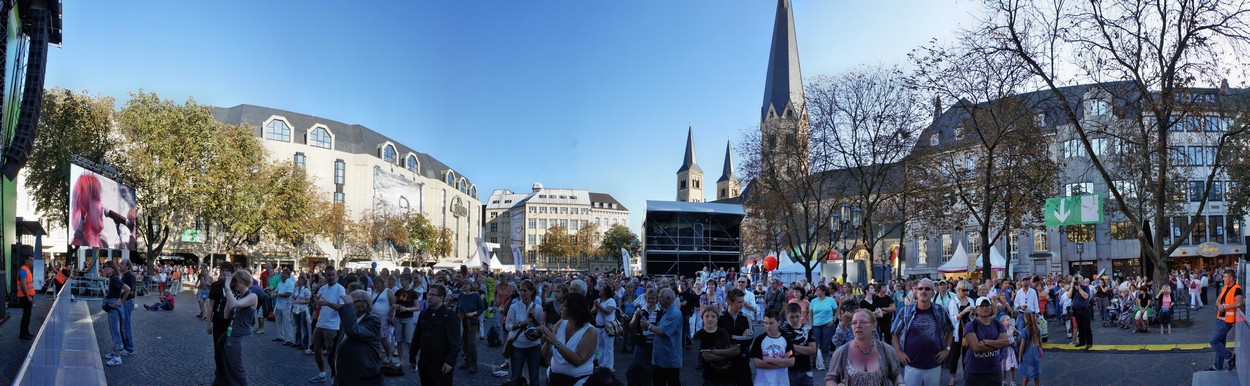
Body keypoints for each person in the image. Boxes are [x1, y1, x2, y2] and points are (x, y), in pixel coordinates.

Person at [891, 278, 952, 386]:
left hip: (934, 364)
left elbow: (950, 329)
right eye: (920, 288)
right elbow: (894, 332)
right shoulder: (906, 311)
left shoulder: (940, 310)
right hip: (911, 364)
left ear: (933, 293)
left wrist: (947, 350)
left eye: (927, 289)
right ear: (916, 292)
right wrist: (898, 351)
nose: (923, 291)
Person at [824, 309, 903, 385]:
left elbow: (896, 374)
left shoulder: (886, 349)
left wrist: (900, 384)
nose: (858, 326)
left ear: (874, 326)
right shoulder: (842, 352)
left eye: (863, 322)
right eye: (854, 323)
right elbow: (831, 379)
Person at [542, 291, 599, 386]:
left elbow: (577, 361)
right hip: (553, 378)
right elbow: (545, 355)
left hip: (578, 382)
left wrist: (556, 342)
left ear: (574, 309)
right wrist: (547, 343)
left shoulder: (590, 331)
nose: (560, 308)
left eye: (564, 306)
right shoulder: (559, 325)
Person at [411, 284, 462, 385]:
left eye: (433, 295)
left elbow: (455, 341)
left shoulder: (449, 315)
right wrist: (412, 357)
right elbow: (417, 336)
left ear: (441, 297)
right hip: (425, 361)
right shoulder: (424, 314)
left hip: (441, 362)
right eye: (428, 294)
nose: (429, 297)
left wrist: (450, 362)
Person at [333, 289, 383, 386]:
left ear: (363, 305)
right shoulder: (351, 319)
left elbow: (354, 332)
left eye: (351, 303)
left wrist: (348, 308)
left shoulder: (373, 320)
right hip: (345, 375)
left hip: (362, 377)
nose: (347, 306)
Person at [309, 268, 350, 383]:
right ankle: (322, 373)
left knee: (332, 354)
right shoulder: (322, 288)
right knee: (316, 350)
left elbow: (342, 307)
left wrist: (328, 303)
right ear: (325, 276)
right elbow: (317, 307)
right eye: (328, 275)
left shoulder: (340, 289)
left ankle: (334, 377)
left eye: (333, 275)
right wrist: (315, 301)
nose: (331, 277)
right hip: (320, 323)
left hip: (333, 326)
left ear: (336, 275)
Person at [221, 270, 260, 385]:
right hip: (231, 337)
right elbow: (226, 315)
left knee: (238, 371)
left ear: (244, 281)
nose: (235, 284)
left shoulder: (253, 296)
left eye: (236, 282)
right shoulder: (237, 297)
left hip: (241, 339)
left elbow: (235, 305)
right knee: (230, 370)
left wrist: (227, 288)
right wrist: (230, 293)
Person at [963, 297, 1009, 386]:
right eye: (981, 306)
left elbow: (1006, 342)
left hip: (994, 371)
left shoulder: (998, 324)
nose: (985, 308)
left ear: (991, 308)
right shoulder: (971, 325)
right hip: (974, 372)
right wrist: (997, 343)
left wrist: (986, 342)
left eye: (987, 305)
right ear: (976, 309)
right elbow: (976, 348)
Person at [505, 279, 543, 384]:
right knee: (515, 376)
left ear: (531, 292)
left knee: (534, 377)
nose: (522, 293)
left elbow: (541, 327)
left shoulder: (538, 308)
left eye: (525, 290)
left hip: (534, 346)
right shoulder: (514, 307)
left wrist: (534, 318)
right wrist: (521, 323)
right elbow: (508, 327)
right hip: (518, 346)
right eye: (520, 290)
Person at [645, 287, 683, 386]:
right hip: (661, 357)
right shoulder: (667, 311)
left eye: (661, 298)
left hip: (669, 358)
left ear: (668, 299)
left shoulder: (674, 313)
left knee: (672, 382)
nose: (658, 300)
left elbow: (663, 332)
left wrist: (648, 325)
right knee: (658, 381)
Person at [206, 262, 237, 382]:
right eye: (222, 270)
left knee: (230, 350)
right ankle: (219, 374)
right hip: (218, 322)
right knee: (218, 349)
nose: (224, 273)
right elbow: (210, 305)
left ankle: (229, 375)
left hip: (232, 323)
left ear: (232, 272)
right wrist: (208, 323)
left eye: (227, 270)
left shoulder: (236, 285)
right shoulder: (215, 285)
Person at [750, 308, 795, 386]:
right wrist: (782, 362)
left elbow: (791, 361)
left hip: (782, 382)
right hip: (763, 382)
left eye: (771, 323)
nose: (768, 326)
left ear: (779, 323)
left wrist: (768, 359)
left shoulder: (786, 339)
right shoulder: (759, 340)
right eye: (765, 323)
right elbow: (757, 363)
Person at [719, 288, 754, 386]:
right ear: (729, 302)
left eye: (743, 302)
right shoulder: (720, 318)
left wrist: (730, 338)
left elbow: (749, 339)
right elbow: (720, 340)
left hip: (743, 363)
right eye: (739, 302)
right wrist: (741, 337)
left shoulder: (746, 318)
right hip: (724, 364)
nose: (742, 305)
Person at [695, 306, 737, 386]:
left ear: (717, 319)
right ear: (702, 318)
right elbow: (707, 357)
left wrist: (714, 351)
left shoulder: (723, 332)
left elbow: (735, 350)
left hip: (727, 376)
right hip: (710, 376)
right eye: (706, 316)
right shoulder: (699, 335)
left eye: (713, 316)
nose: (710, 319)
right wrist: (727, 354)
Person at [1209, 270, 1242, 371]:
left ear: (1231, 278)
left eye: (1225, 277)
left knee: (1213, 341)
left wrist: (1225, 307)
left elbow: (1238, 303)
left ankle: (1230, 357)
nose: (1223, 278)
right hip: (1220, 319)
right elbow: (1218, 300)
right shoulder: (1225, 287)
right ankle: (1218, 366)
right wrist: (1219, 305)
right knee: (1220, 342)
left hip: (1227, 321)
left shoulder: (1237, 289)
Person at [101, 261, 130, 366]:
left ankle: (117, 357)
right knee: (115, 330)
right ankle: (115, 352)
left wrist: (121, 301)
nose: (105, 269)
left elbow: (127, 289)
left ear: (112, 268)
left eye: (107, 267)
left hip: (114, 308)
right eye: (104, 267)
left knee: (115, 332)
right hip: (113, 307)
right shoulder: (113, 278)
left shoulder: (114, 278)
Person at [782, 303, 816, 386]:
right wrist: (804, 350)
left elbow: (813, 350)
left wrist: (791, 346)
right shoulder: (782, 331)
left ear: (801, 314)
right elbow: (784, 353)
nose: (795, 320)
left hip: (806, 369)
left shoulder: (807, 329)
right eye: (791, 317)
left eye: (797, 316)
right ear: (786, 316)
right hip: (789, 371)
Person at [457, 279, 485, 373]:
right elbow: (458, 307)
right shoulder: (461, 295)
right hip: (463, 321)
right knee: (464, 342)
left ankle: (474, 364)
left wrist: (473, 313)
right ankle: (466, 361)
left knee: (471, 343)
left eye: (466, 284)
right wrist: (458, 314)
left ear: (470, 286)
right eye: (463, 284)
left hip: (472, 321)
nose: (464, 286)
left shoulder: (475, 296)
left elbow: (481, 308)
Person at [369, 275, 397, 365]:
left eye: (377, 284)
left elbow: (393, 304)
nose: (376, 285)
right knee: (375, 337)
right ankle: (378, 353)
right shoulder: (375, 291)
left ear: (381, 283)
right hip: (374, 316)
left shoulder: (387, 291)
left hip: (384, 316)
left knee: (383, 337)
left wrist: (390, 316)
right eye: (374, 284)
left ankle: (389, 356)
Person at [809, 284, 838, 370]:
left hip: (827, 324)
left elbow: (836, 311)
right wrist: (811, 324)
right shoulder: (813, 301)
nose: (817, 292)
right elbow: (810, 313)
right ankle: (813, 360)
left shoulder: (830, 300)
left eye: (819, 290)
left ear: (823, 291)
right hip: (816, 324)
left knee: (825, 343)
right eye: (816, 290)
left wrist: (833, 321)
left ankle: (824, 360)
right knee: (815, 342)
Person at [393, 274, 419, 368]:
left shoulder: (413, 292)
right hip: (398, 318)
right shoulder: (398, 291)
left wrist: (407, 309)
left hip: (408, 318)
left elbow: (417, 307)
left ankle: (413, 360)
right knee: (398, 340)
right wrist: (395, 306)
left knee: (409, 340)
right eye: (401, 280)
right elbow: (393, 303)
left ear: (408, 281)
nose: (402, 281)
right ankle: (401, 360)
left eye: (403, 280)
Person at [630, 288, 659, 364]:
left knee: (652, 367)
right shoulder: (640, 311)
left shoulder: (660, 312)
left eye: (653, 298)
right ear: (645, 299)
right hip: (641, 343)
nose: (651, 300)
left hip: (655, 345)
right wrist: (636, 316)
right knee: (637, 366)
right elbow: (631, 326)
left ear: (656, 299)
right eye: (649, 298)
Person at [593, 282, 618, 368]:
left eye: (601, 289)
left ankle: (609, 366)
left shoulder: (611, 301)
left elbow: (608, 311)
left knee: (609, 348)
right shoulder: (598, 300)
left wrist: (598, 305)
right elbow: (592, 312)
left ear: (605, 292)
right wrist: (596, 306)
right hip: (598, 327)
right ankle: (601, 364)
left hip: (608, 327)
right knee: (600, 346)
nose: (599, 290)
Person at [1017, 312, 1042, 386]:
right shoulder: (1037, 329)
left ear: (1026, 320)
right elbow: (1040, 343)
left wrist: (1020, 355)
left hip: (1027, 357)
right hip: (1035, 356)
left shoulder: (1025, 330)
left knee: (1026, 376)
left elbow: (1022, 345)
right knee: (1036, 375)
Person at [119, 259, 138, 356]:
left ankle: (129, 348)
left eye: (122, 264)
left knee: (126, 326)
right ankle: (124, 346)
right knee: (123, 326)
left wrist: (122, 296)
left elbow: (131, 291)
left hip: (127, 302)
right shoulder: (124, 276)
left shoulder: (130, 276)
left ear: (127, 266)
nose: (120, 265)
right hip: (125, 302)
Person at [1068, 276, 1093, 349]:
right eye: (1075, 282)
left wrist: (1079, 289)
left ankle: (1089, 342)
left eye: (1078, 281)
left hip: (1084, 310)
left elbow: (1086, 296)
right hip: (1076, 310)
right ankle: (1082, 341)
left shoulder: (1085, 287)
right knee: (1080, 327)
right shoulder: (1073, 289)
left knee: (1087, 327)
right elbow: (1068, 296)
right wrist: (1071, 287)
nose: (1077, 283)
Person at [16, 255, 35, 339]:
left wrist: (31, 296)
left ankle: (26, 332)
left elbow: (28, 285)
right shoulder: (23, 270)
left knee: (27, 315)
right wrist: (28, 297)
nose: (32, 262)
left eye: (33, 260)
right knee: (26, 315)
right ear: (26, 260)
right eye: (30, 260)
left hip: (27, 296)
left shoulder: (27, 270)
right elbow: (23, 285)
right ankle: (23, 334)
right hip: (24, 297)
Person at [273, 269, 295, 346]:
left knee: (287, 323)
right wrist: (274, 293)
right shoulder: (280, 283)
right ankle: (280, 336)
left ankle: (290, 339)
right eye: (283, 273)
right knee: (278, 322)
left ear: (289, 275)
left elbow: (289, 294)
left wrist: (277, 295)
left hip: (286, 305)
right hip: (278, 305)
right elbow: (276, 290)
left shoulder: (290, 283)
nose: (283, 274)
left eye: (285, 273)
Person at [292, 275, 312, 351]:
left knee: (304, 326)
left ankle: (305, 344)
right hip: (296, 308)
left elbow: (308, 301)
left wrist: (298, 301)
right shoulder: (296, 288)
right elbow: (294, 297)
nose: (299, 281)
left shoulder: (306, 290)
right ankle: (298, 342)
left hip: (303, 309)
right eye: (298, 279)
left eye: (300, 279)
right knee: (297, 326)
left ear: (304, 281)